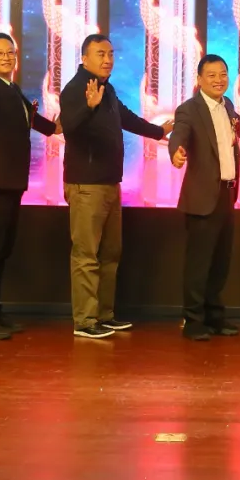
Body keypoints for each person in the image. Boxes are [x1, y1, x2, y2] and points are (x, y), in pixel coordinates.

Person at [59, 34, 172, 339]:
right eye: (100, 54)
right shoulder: (75, 89)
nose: (107, 59)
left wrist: (158, 131)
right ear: (84, 58)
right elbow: (69, 128)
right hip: (86, 185)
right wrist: (89, 107)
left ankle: (104, 315)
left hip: (109, 182)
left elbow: (126, 118)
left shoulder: (105, 88)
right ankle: (85, 321)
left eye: (110, 53)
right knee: (86, 255)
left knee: (110, 253)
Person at [167, 55, 240, 341]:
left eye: (223, 74)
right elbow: (179, 134)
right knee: (199, 264)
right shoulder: (189, 109)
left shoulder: (227, 106)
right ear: (199, 79)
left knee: (220, 262)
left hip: (227, 194)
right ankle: (193, 320)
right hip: (202, 197)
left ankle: (215, 316)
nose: (218, 80)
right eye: (211, 75)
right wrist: (176, 152)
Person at [0, 32, 61, 340]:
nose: (6, 57)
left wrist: (63, 124)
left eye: (10, 52)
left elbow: (37, 121)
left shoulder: (13, 88)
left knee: (2, 250)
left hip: (11, 181)